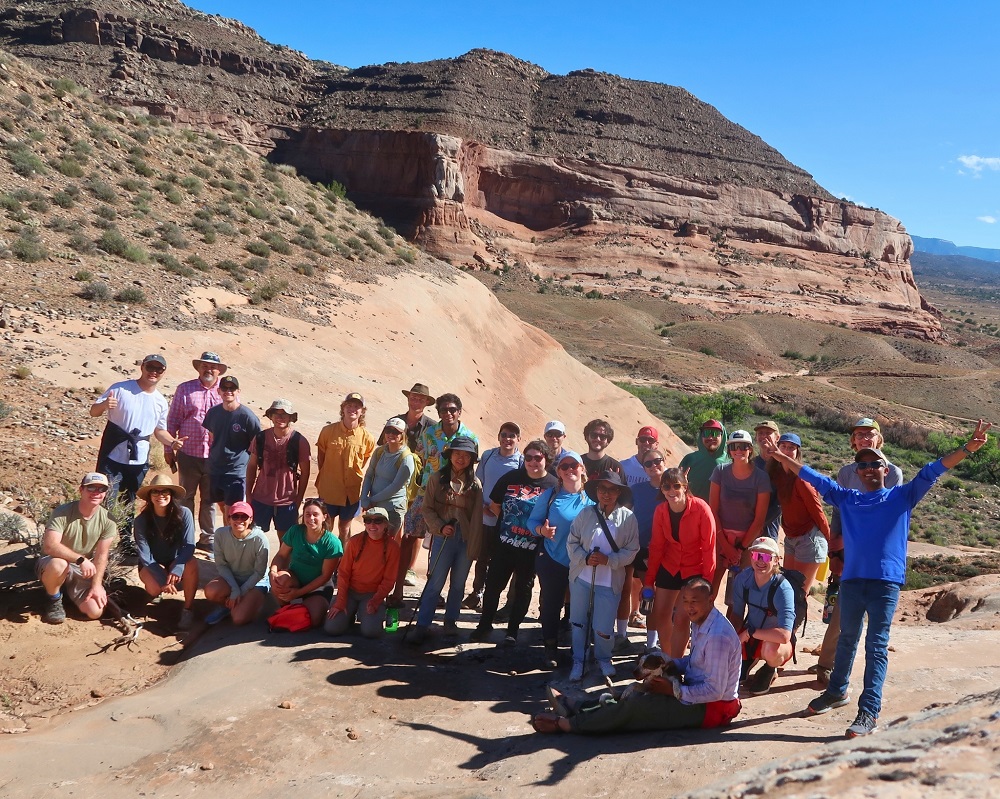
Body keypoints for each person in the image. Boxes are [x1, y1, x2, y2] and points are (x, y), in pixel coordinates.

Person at [773, 420, 991, 738]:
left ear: (885, 469)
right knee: (847, 639)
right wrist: (781, 458)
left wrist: (967, 448)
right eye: (863, 465)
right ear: (857, 472)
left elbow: (933, 469)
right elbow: (815, 478)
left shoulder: (901, 497)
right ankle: (836, 692)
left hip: (885, 584)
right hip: (851, 580)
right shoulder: (849, 498)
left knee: (875, 646)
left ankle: (869, 711)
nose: (869, 468)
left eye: (875, 463)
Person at [531, 578, 741, 734]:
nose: (688, 607)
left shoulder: (717, 637)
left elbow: (715, 691)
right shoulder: (703, 622)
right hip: (696, 695)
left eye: (694, 601)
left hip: (712, 709)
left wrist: (674, 691)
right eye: (685, 601)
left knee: (637, 706)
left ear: (711, 599)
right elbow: (696, 662)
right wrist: (672, 664)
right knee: (629, 692)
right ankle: (578, 707)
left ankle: (568, 724)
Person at [812, 418, 905, 685]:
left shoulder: (892, 472)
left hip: (876, 554)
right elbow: (839, 510)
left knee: (874, 626)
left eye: (869, 433)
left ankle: (862, 678)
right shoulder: (846, 472)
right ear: (853, 441)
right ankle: (827, 665)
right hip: (848, 550)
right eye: (859, 434)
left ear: (879, 439)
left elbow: (889, 515)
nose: (864, 438)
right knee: (842, 610)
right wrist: (835, 550)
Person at [91, 354, 185, 548]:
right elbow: (93, 411)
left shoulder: (160, 401)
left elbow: (159, 431)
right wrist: (103, 405)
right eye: (150, 367)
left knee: (129, 500)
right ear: (142, 367)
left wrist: (172, 442)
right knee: (106, 498)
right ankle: (100, 541)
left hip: (139, 459)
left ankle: (124, 542)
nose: (154, 372)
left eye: (159, 369)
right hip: (113, 454)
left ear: (163, 373)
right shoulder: (120, 388)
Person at [471, 439, 557, 645]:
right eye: (528, 457)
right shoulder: (511, 477)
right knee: (493, 586)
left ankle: (513, 630)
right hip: (504, 545)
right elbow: (494, 504)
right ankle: (484, 625)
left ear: (546, 460)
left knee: (523, 589)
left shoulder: (553, 485)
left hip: (531, 549)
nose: (533, 462)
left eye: (538, 458)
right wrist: (511, 522)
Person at [408, 436, 484, 645]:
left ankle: (450, 622)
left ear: (471, 459)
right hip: (443, 537)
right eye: (457, 453)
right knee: (435, 583)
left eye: (466, 455)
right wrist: (440, 526)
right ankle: (422, 624)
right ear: (450, 455)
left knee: (458, 584)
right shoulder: (436, 479)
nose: (461, 458)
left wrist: (475, 547)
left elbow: (477, 518)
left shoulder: (475, 485)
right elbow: (427, 509)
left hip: (465, 539)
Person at [566, 471, 639, 681]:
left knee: (604, 627)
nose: (606, 494)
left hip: (609, 581)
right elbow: (572, 543)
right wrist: (585, 558)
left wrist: (609, 561)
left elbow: (632, 550)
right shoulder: (586, 514)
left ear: (618, 492)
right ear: (596, 491)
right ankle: (578, 659)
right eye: (602, 489)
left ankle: (604, 658)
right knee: (578, 622)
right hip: (582, 578)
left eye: (611, 490)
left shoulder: (628, 518)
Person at [528, 451, 594, 668]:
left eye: (573, 465)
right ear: (558, 472)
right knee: (551, 605)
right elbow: (532, 522)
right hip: (552, 558)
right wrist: (541, 530)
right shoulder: (550, 495)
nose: (569, 470)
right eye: (564, 467)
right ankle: (550, 649)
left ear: (582, 468)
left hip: (582, 562)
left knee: (581, 607)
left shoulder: (592, 497)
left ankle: (578, 650)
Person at [645, 467, 716, 657]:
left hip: (694, 569)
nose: (671, 490)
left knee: (682, 619)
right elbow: (657, 547)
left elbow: (709, 548)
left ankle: (676, 663)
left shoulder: (701, 508)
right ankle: (668, 658)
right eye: (666, 486)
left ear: (685, 487)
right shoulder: (661, 511)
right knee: (661, 615)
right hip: (671, 565)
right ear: (661, 490)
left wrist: (707, 584)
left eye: (676, 485)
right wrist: (648, 581)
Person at [36, 472, 118, 624]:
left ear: (106, 493)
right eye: (91, 488)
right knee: (59, 564)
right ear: (81, 490)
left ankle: (66, 593)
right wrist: (80, 559)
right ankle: (53, 599)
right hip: (55, 562)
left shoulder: (108, 520)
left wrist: (96, 585)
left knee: (95, 611)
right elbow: (50, 545)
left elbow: (101, 555)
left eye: (101, 489)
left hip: (81, 570)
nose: (96, 493)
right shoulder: (63, 512)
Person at [164, 351, 225, 550]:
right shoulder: (185, 389)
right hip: (188, 452)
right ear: (199, 368)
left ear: (219, 371)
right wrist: (168, 447)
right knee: (185, 496)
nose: (208, 369)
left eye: (212, 366)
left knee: (209, 499)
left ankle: (207, 539)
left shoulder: (226, 391)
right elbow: (173, 419)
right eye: (204, 365)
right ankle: (185, 536)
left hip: (214, 455)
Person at [709, 429, 771, 603]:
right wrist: (725, 546)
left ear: (750, 449)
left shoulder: (761, 478)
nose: (739, 450)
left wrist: (740, 549)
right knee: (709, 589)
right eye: (734, 446)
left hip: (748, 542)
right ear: (729, 450)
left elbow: (759, 520)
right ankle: (702, 628)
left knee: (738, 597)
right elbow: (713, 510)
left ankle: (733, 630)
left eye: (743, 446)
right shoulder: (720, 472)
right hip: (720, 539)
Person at [468, 422, 524, 612]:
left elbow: (522, 492)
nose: (508, 439)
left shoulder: (522, 462)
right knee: (482, 558)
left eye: (512, 435)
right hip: (485, 516)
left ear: (518, 439)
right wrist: (482, 506)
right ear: (498, 436)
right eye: (504, 434)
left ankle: (491, 597)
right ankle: (476, 593)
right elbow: (478, 482)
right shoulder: (488, 455)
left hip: (506, 521)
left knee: (498, 561)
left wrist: (503, 511)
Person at [729, 537, 795, 696]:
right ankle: (746, 659)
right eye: (756, 555)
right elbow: (737, 615)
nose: (760, 561)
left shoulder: (783, 589)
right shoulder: (743, 579)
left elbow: (785, 635)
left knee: (770, 649)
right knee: (729, 636)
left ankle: (770, 669)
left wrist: (749, 633)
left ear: (777, 560)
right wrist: (729, 637)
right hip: (752, 634)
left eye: (766, 557)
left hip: (775, 641)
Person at [767, 433, 831, 594]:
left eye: (791, 448)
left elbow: (818, 511)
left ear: (797, 453)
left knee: (798, 594)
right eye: (783, 447)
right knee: (785, 590)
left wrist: (831, 543)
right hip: (791, 538)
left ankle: (795, 620)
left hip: (809, 539)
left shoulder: (802, 480)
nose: (787, 451)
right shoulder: (777, 475)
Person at [133, 473, 198, 630]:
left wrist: (177, 567)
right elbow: (145, 555)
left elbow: (189, 545)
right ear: (149, 496)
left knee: (192, 564)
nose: (160, 495)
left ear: (171, 495)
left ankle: (188, 609)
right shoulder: (141, 520)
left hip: (175, 560)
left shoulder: (184, 514)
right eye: (155, 491)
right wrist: (163, 580)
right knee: (154, 589)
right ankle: (159, 593)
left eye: (165, 492)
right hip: (152, 563)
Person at [325, 507, 401, 638]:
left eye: (378, 521)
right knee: (332, 628)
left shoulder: (393, 547)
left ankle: (363, 613)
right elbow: (343, 572)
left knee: (371, 632)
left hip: (371, 595)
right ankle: (350, 614)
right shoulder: (355, 542)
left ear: (385, 524)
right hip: (350, 592)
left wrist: (376, 600)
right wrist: (341, 600)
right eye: (368, 520)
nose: (372, 525)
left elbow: (389, 580)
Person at [269, 498, 343, 628]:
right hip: (295, 577)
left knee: (313, 620)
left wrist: (298, 593)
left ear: (324, 517)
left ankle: (298, 609)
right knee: (279, 579)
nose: (311, 518)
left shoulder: (332, 543)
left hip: (318, 585)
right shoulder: (295, 531)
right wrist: (273, 571)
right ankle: (285, 609)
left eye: (316, 514)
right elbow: (281, 555)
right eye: (307, 515)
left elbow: (325, 576)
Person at [316, 392, 376, 545]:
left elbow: (364, 461)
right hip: (329, 490)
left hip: (351, 492)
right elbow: (321, 458)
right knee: (326, 526)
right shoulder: (328, 431)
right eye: (349, 405)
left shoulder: (367, 437)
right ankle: (325, 559)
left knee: (344, 528)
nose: (353, 409)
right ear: (343, 408)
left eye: (357, 406)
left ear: (362, 411)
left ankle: (343, 561)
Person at [247, 399, 311, 543]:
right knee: (254, 539)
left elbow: (306, 472)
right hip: (260, 498)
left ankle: (283, 566)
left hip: (286, 501)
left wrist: (298, 499)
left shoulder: (299, 441)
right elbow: (251, 466)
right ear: (271, 416)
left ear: (290, 418)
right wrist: (248, 495)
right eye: (276, 413)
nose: (280, 418)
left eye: (284, 414)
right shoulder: (260, 438)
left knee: (287, 543)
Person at [201, 375, 262, 520]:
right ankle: (228, 536)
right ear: (219, 391)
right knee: (222, 506)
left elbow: (257, 443)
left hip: (236, 471)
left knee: (233, 509)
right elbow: (211, 436)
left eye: (232, 388)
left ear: (238, 391)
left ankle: (229, 540)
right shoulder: (213, 413)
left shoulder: (247, 416)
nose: (228, 391)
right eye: (225, 388)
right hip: (215, 468)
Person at [203, 501, 270, 625]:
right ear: (228, 519)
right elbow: (221, 565)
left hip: (256, 581)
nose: (239, 520)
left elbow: (259, 572)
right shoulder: (220, 535)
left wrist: (241, 591)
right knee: (211, 591)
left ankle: (255, 602)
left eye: (244, 516)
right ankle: (227, 606)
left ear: (250, 520)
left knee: (239, 618)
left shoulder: (260, 539)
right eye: (235, 516)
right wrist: (235, 590)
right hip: (233, 578)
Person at [628, 449, 668, 647]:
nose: (653, 466)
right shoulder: (637, 489)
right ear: (643, 468)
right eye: (648, 464)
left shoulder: (673, 488)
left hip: (670, 551)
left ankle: (664, 639)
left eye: (657, 461)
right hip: (643, 548)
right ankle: (651, 643)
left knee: (666, 599)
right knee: (649, 595)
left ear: (665, 461)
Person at [360, 417, 416, 535]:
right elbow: (369, 474)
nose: (391, 434)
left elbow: (395, 487)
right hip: (374, 507)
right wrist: (364, 498)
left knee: (386, 545)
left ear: (403, 435)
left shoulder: (406, 459)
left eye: (396, 432)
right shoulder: (379, 451)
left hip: (392, 509)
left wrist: (371, 500)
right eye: (388, 430)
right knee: (371, 542)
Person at [678, 419, 730, 502]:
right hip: (694, 511)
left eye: (715, 433)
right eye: (706, 433)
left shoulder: (731, 461)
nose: (710, 437)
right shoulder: (689, 459)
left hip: (722, 513)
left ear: (722, 436)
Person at [378, 382, 437, 451]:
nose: (416, 402)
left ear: (427, 402)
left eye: (421, 400)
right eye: (413, 398)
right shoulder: (394, 422)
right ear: (408, 398)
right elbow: (382, 447)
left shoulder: (433, 427)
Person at [753, 421, 783, 541]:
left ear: (777, 438)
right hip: (747, 526)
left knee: (765, 558)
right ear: (755, 437)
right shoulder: (751, 463)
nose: (763, 436)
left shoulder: (781, 465)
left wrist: (759, 524)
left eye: (768, 433)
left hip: (768, 529)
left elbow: (779, 503)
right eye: (760, 433)